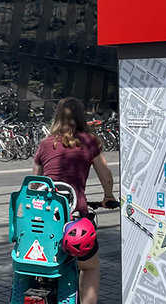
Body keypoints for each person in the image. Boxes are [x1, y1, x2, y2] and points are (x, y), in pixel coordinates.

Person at [32, 98, 117, 304]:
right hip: (74, 217)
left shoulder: (45, 144)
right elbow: (106, 176)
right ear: (82, 117)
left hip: (44, 220)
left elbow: (34, 184)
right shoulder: (89, 142)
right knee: (90, 266)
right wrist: (108, 196)